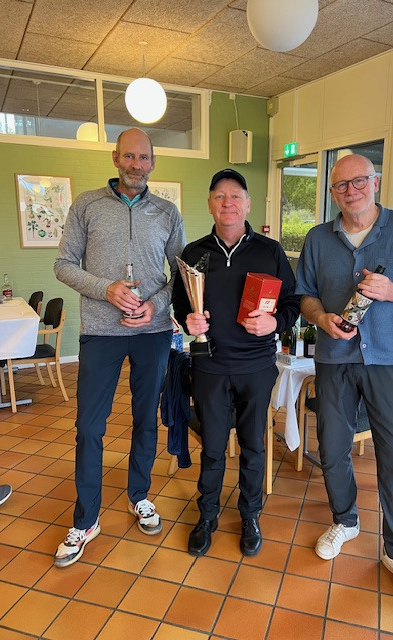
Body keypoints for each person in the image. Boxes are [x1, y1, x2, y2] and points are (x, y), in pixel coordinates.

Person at [296, 153, 393, 607]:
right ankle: (345, 520)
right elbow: (305, 295)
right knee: (332, 447)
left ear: (375, 182)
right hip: (335, 359)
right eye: (341, 185)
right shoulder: (318, 238)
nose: (351, 191)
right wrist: (321, 318)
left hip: (390, 361)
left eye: (359, 181)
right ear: (332, 192)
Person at [53, 128, 186, 568]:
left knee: (146, 419)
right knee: (89, 427)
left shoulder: (167, 212)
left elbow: (181, 273)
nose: (136, 165)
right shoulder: (87, 205)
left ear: (153, 163)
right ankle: (86, 519)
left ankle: (139, 495)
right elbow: (63, 265)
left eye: (143, 158)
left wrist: (155, 306)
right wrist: (105, 289)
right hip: (101, 333)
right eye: (128, 156)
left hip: (152, 333)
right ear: (115, 158)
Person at [173, 168, 299, 558]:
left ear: (247, 204)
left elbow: (292, 303)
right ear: (210, 204)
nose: (227, 202)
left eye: (235, 196)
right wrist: (187, 320)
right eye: (219, 196)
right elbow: (179, 303)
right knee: (212, 447)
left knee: (252, 447)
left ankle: (250, 515)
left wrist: (275, 323)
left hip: (256, 366)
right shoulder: (193, 254)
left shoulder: (270, 251)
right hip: (208, 364)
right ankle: (207, 515)